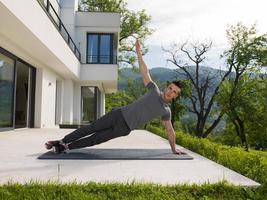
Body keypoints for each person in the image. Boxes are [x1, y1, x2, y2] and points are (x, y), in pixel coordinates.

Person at [45, 40, 184, 155]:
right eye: (170, 88)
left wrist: (173, 149)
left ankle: (66, 147)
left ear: (175, 96)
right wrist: (138, 53)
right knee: (90, 128)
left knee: (96, 139)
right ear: (167, 87)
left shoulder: (166, 111)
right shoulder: (154, 89)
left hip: (124, 128)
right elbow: (144, 71)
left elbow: (170, 131)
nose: (170, 91)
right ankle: (62, 141)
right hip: (118, 114)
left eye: (174, 92)